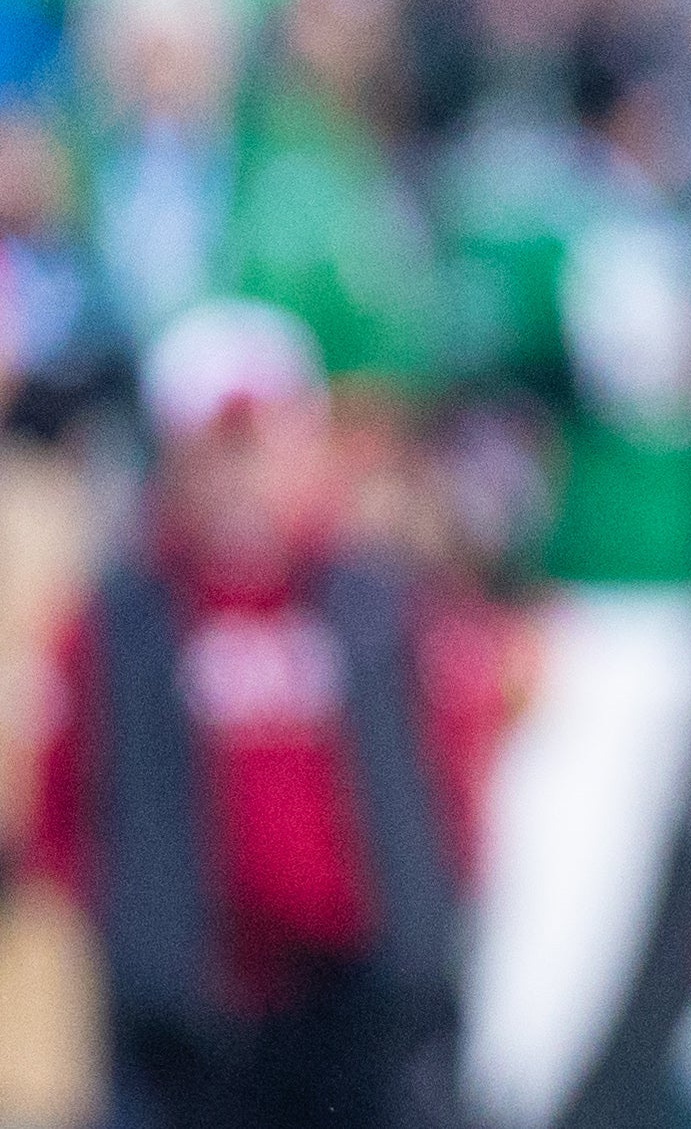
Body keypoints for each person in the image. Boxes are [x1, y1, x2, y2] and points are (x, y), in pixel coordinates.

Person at [30, 299, 465, 1129]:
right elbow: (64, 806)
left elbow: (444, 776)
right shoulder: (124, 621)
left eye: (256, 449)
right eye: (214, 454)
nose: (237, 479)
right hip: (188, 1020)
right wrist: (133, 935)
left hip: (357, 1009)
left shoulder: (374, 607)